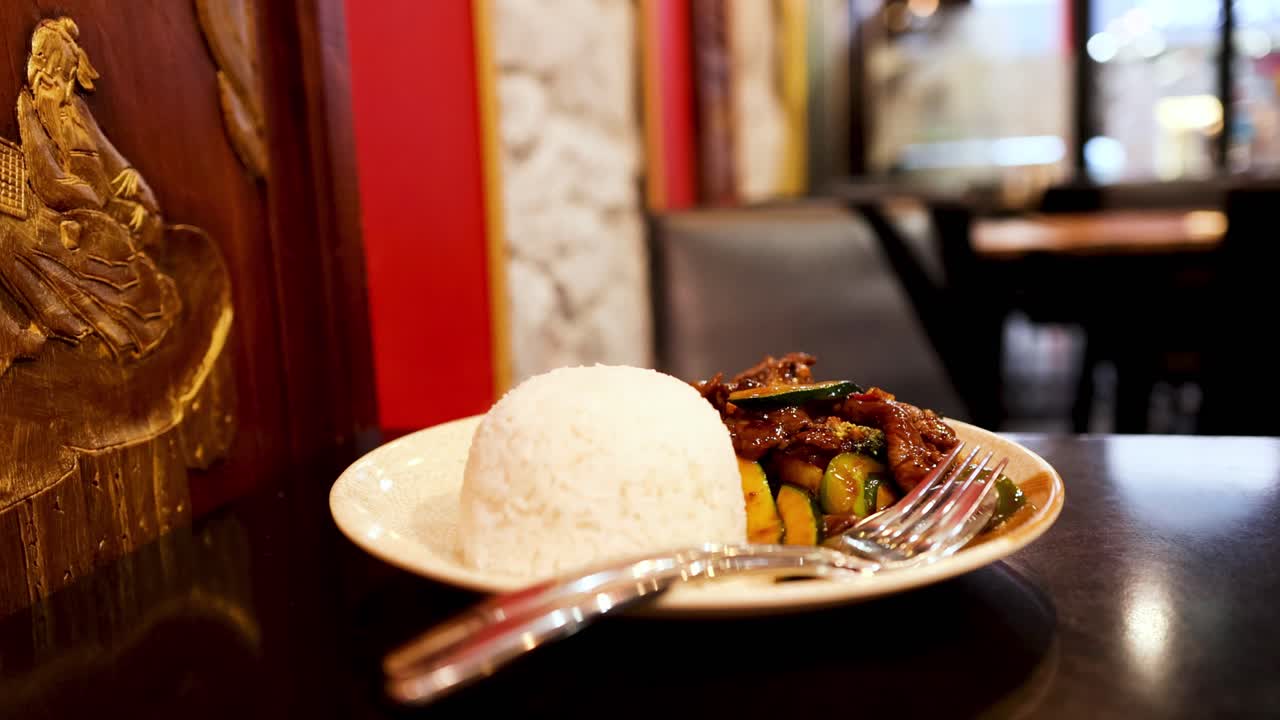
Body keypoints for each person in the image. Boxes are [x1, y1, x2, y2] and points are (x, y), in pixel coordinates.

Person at [0, 17, 178, 374]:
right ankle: (56, 325)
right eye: (55, 74)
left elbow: (109, 156)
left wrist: (129, 182)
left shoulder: (76, 111)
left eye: (67, 76)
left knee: (127, 240)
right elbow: (48, 180)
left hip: (98, 210)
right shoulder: (29, 108)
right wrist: (95, 203)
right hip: (69, 215)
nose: (62, 87)